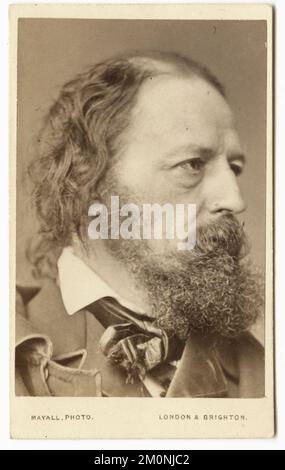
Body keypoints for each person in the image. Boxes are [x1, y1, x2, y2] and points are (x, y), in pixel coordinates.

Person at [16, 51, 264, 397]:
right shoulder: (12, 349)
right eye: (192, 164)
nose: (236, 200)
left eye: (233, 167)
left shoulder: (265, 376)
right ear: (90, 183)